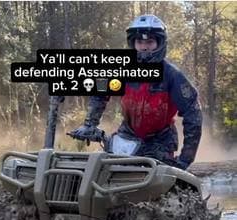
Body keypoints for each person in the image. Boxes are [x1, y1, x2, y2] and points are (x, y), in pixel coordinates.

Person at [69, 15, 202, 170]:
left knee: (159, 182)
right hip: (127, 135)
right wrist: (89, 124)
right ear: (133, 44)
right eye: (139, 42)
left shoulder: (172, 76)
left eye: (150, 42)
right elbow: (100, 92)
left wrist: (186, 159)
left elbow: (193, 114)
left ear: (160, 43)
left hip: (161, 140)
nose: (144, 47)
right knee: (107, 171)